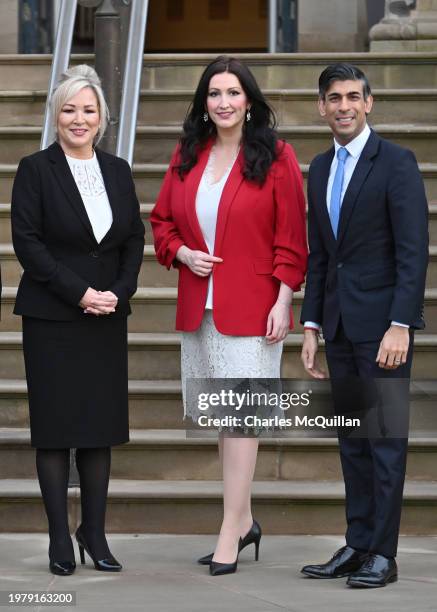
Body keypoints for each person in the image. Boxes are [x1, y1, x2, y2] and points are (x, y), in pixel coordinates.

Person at [151, 56, 307, 576]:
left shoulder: (277, 156)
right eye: (214, 93)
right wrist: (182, 253)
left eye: (233, 93)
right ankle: (242, 521)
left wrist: (284, 297)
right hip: (201, 305)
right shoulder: (187, 155)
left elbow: (292, 236)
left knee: (243, 417)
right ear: (203, 103)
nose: (223, 102)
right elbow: (162, 221)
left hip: (255, 305)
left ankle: (229, 528)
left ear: (249, 101)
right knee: (224, 416)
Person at [11, 65, 145, 576]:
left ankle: (94, 532)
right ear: (55, 114)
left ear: (103, 118)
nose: (78, 118)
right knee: (55, 431)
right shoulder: (35, 169)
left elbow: (133, 238)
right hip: (52, 317)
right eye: (69, 109)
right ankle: (58, 540)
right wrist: (80, 292)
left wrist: (117, 292)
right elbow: (28, 244)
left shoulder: (117, 170)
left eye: (88, 110)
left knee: (98, 429)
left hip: (106, 316)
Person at [300, 63, 428, 588]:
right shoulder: (318, 168)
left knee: (384, 442)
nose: (344, 106)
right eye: (335, 98)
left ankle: (383, 553)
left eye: (354, 96)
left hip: (383, 331)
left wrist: (402, 323)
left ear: (369, 103)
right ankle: (356, 544)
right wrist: (310, 323)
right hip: (339, 328)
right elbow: (321, 256)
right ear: (322, 107)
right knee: (352, 441)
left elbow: (413, 251)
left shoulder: (396, 163)